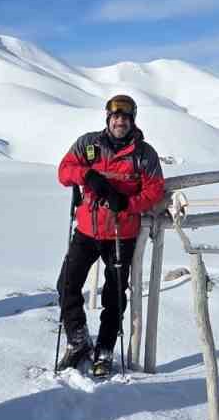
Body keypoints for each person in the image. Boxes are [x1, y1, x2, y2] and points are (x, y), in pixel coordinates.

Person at [55, 94, 166, 377]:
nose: (120, 122)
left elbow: (155, 191)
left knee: (115, 294)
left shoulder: (145, 154)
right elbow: (64, 171)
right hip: (87, 229)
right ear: (108, 118)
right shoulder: (88, 144)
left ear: (132, 121)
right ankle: (78, 339)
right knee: (67, 284)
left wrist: (128, 204)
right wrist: (86, 176)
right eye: (116, 117)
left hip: (121, 231)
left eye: (125, 118)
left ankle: (105, 348)